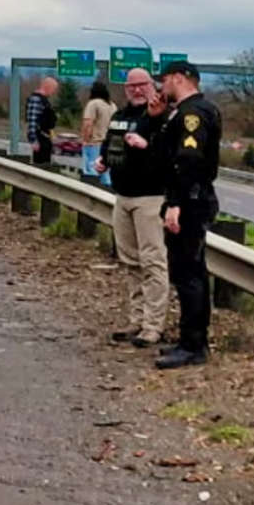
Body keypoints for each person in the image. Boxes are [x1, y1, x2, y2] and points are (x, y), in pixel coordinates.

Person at [138, 60, 222, 369]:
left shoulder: (192, 115)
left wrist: (176, 203)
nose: (162, 87)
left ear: (179, 78)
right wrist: (157, 119)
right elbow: (162, 153)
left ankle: (193, 345)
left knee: (188, 274)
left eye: (165, 80)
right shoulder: (189, 112)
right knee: (190, 272)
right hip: (192, 198)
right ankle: (191, 339)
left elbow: (186, 160)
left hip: (190, 200)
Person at [93, 68, 169, 349]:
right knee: (131, 263)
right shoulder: (120, 117)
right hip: (122, 196)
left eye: (142, 85)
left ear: (152, 86)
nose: (137, 90)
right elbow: (108, 146)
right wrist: (103, 162)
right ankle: (137, 320)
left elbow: (169, 154)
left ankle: (153, 326)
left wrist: (147, 145)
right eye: (131, 86)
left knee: (153, 262)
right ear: (125, 89)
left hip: (151, 198)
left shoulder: (163, 118)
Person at [81, 81, 116, 187]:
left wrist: (86, 141)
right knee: (106, 175)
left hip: (94, 143)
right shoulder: (112, 105)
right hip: (110, 144)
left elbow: (88, 124)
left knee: (92, 173)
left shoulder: (93, 104)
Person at [25, 77, 59, 166]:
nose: (53, 92)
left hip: (46, 138)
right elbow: (32, 121)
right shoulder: (36, 99)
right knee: (39, 165)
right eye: (54, 89)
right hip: (40, 139)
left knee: (46, 164)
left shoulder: (44, 101)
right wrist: (34, 140)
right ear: (48, 87)